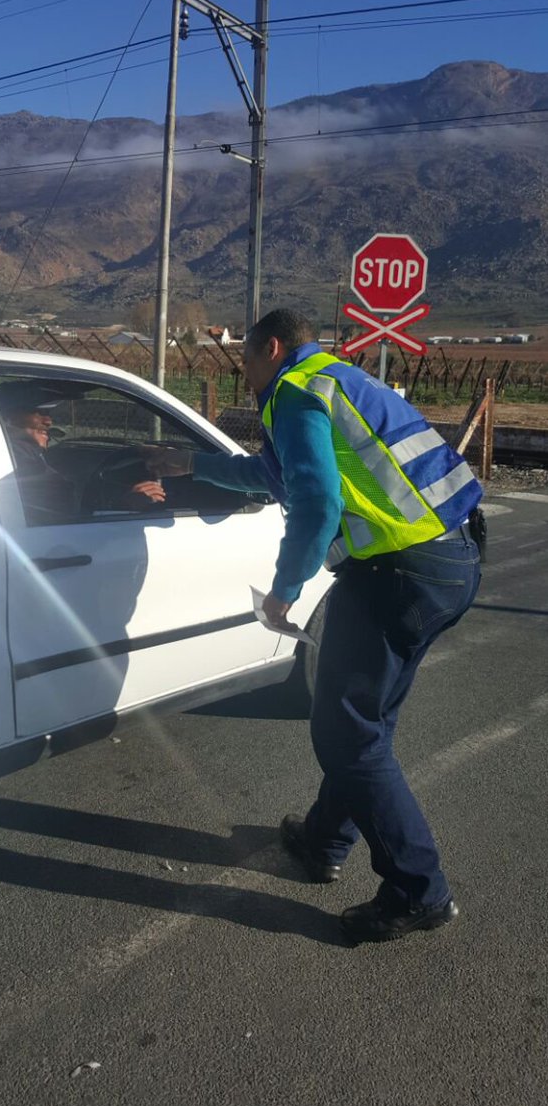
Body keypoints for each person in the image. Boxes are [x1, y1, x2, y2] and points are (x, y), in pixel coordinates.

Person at [147, 309, 483, 943]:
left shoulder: (294, 393)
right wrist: (190, 465)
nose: (244, 375)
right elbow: (270, 475)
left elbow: (318, 501)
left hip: (398, 573)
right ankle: (324, 840)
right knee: (365, 723)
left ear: (270, 349)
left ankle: (420, 890)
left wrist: (283, 591)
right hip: (449, 560)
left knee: (345, 734)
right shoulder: (333, 382)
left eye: (245, 361)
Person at [0, 382, 165, 524]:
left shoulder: (11, 455)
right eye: (41, 413)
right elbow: (61, 523)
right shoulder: (23, 463)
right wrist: (123, 505)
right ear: (8, 418)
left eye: (49, 413)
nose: (49, 421)